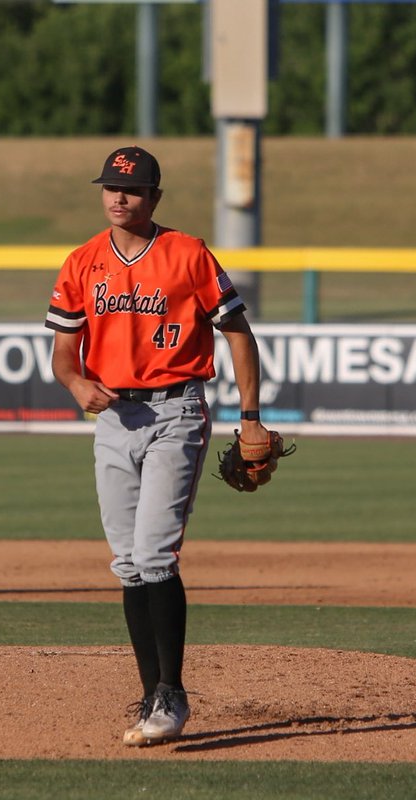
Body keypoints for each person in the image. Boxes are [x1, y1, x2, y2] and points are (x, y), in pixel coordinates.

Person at [46, 145, 268, 746]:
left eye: (134, 190)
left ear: (155, 198)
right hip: (114, 418)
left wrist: (250, 417)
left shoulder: (188, 253)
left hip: (177, 410)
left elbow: (238, 335)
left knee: (153, 555)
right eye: (112, 188)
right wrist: (73, 382)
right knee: (126, 563)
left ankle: (172, 693)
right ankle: (151, 697)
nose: (120, 198)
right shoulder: (82, 262)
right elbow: (64, 348)